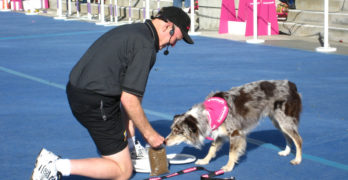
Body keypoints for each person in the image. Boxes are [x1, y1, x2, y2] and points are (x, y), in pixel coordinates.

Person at [31, 6, 194, 180]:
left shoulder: (136, 31)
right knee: (123, 171)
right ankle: (54, 166)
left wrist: (131, 142)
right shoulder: (146, 48)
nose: (173, 44)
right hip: (94, 102)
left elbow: (131, 98)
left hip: (78, 90)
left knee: (128, 103)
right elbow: (130, 100)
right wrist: (150, 135)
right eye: (175, 39)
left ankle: (129, 147)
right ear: (167, 27)